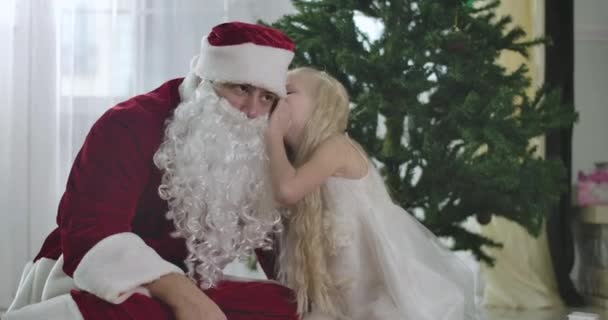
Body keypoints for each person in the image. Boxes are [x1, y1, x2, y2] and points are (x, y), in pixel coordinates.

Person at [5, 22, 298, 320]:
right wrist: (185, 298)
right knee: (139, 310)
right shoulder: (130, 123)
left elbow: (275, 244)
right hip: (91, 275)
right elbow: (90, 232)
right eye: (242, 88)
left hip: (182, 283)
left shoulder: (255, 140)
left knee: (289, 305)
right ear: (207, 80)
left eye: (266, 98)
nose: (251, 111)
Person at [266, 67, 479, 320]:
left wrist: (273, 134)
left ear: (319, 108)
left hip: (371, 289)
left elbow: (286, 191)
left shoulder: (336, 146)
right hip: (344, 288)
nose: (278, 96)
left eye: (288, 91)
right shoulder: (295, 162)